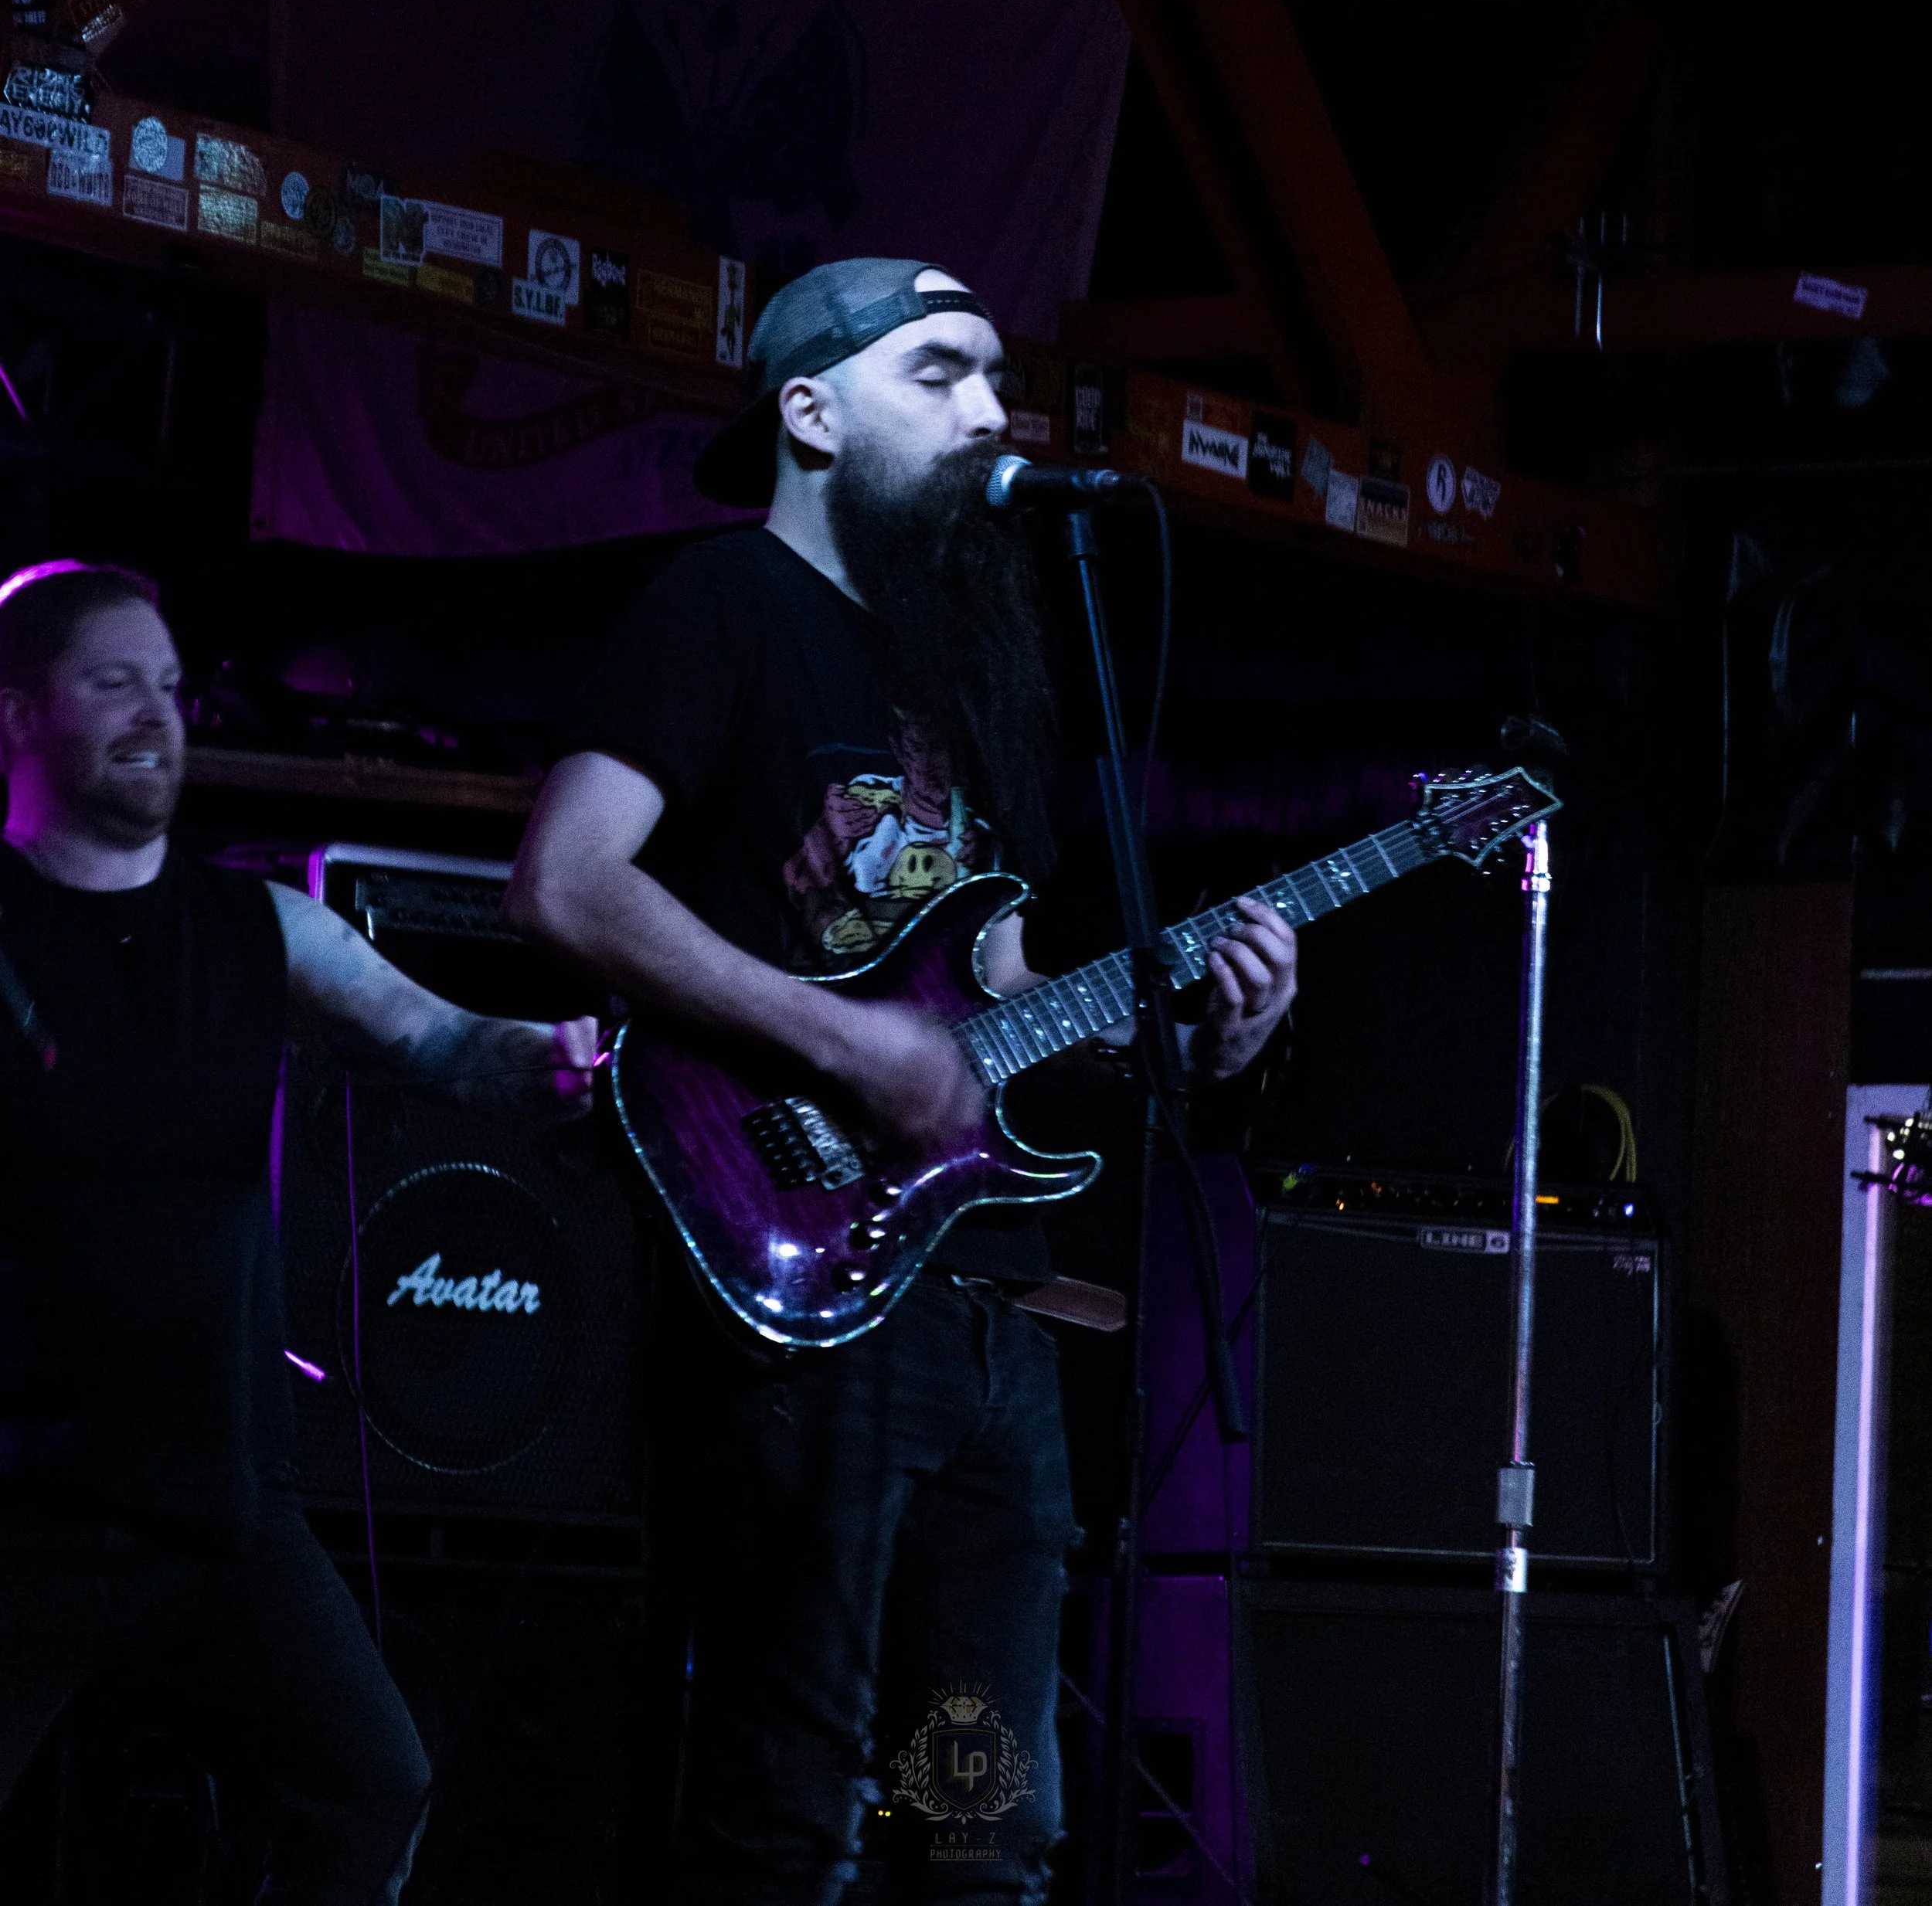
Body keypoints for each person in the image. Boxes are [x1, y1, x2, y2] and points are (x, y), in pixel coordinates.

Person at [507, 258, 1298, 1906]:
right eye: (937, 372)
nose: (989, 414)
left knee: (982, 1813)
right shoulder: (722, 603)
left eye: (996, 378)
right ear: (808, 410)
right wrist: (842, 1035)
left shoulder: (976, 670)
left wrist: (1210, 1029)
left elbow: (997, 987)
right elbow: (569, 880)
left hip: (985, 1314)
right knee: (786, 1798)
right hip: (798, 1271)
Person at [0, 559, 601, 1905]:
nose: (158, 712)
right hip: (22, 1512)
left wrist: (545, 1060)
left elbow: (441, 1040)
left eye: (168, 682)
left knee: (372, 1781)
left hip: (217, 1508)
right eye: (112, 681)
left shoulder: (255, 927)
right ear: (19, 716)